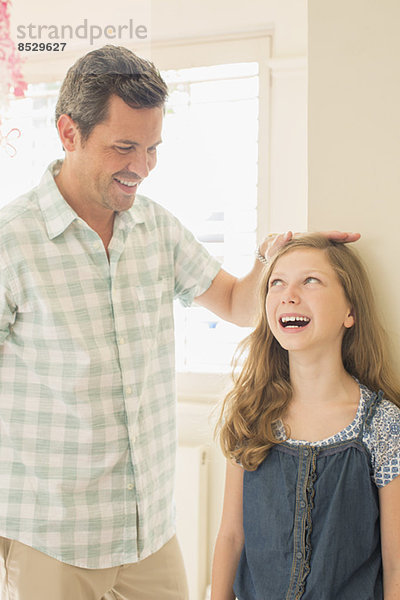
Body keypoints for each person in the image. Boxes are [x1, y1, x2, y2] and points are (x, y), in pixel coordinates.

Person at [0, 44, 358, 599]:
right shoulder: (12, 242)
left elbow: (240, 305)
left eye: (152, 148)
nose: (141, 168)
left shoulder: (156, 229)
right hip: (54, 537)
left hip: (149, 533)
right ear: (68, 132)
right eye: (124, 147)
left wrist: (282, 256)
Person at [211, 234, 400, 600]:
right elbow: (232, 538)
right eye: (277, 282)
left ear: (350, 311)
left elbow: (395, 565)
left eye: (310, 280)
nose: (288, 294)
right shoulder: (250, 413)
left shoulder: (383, 424)